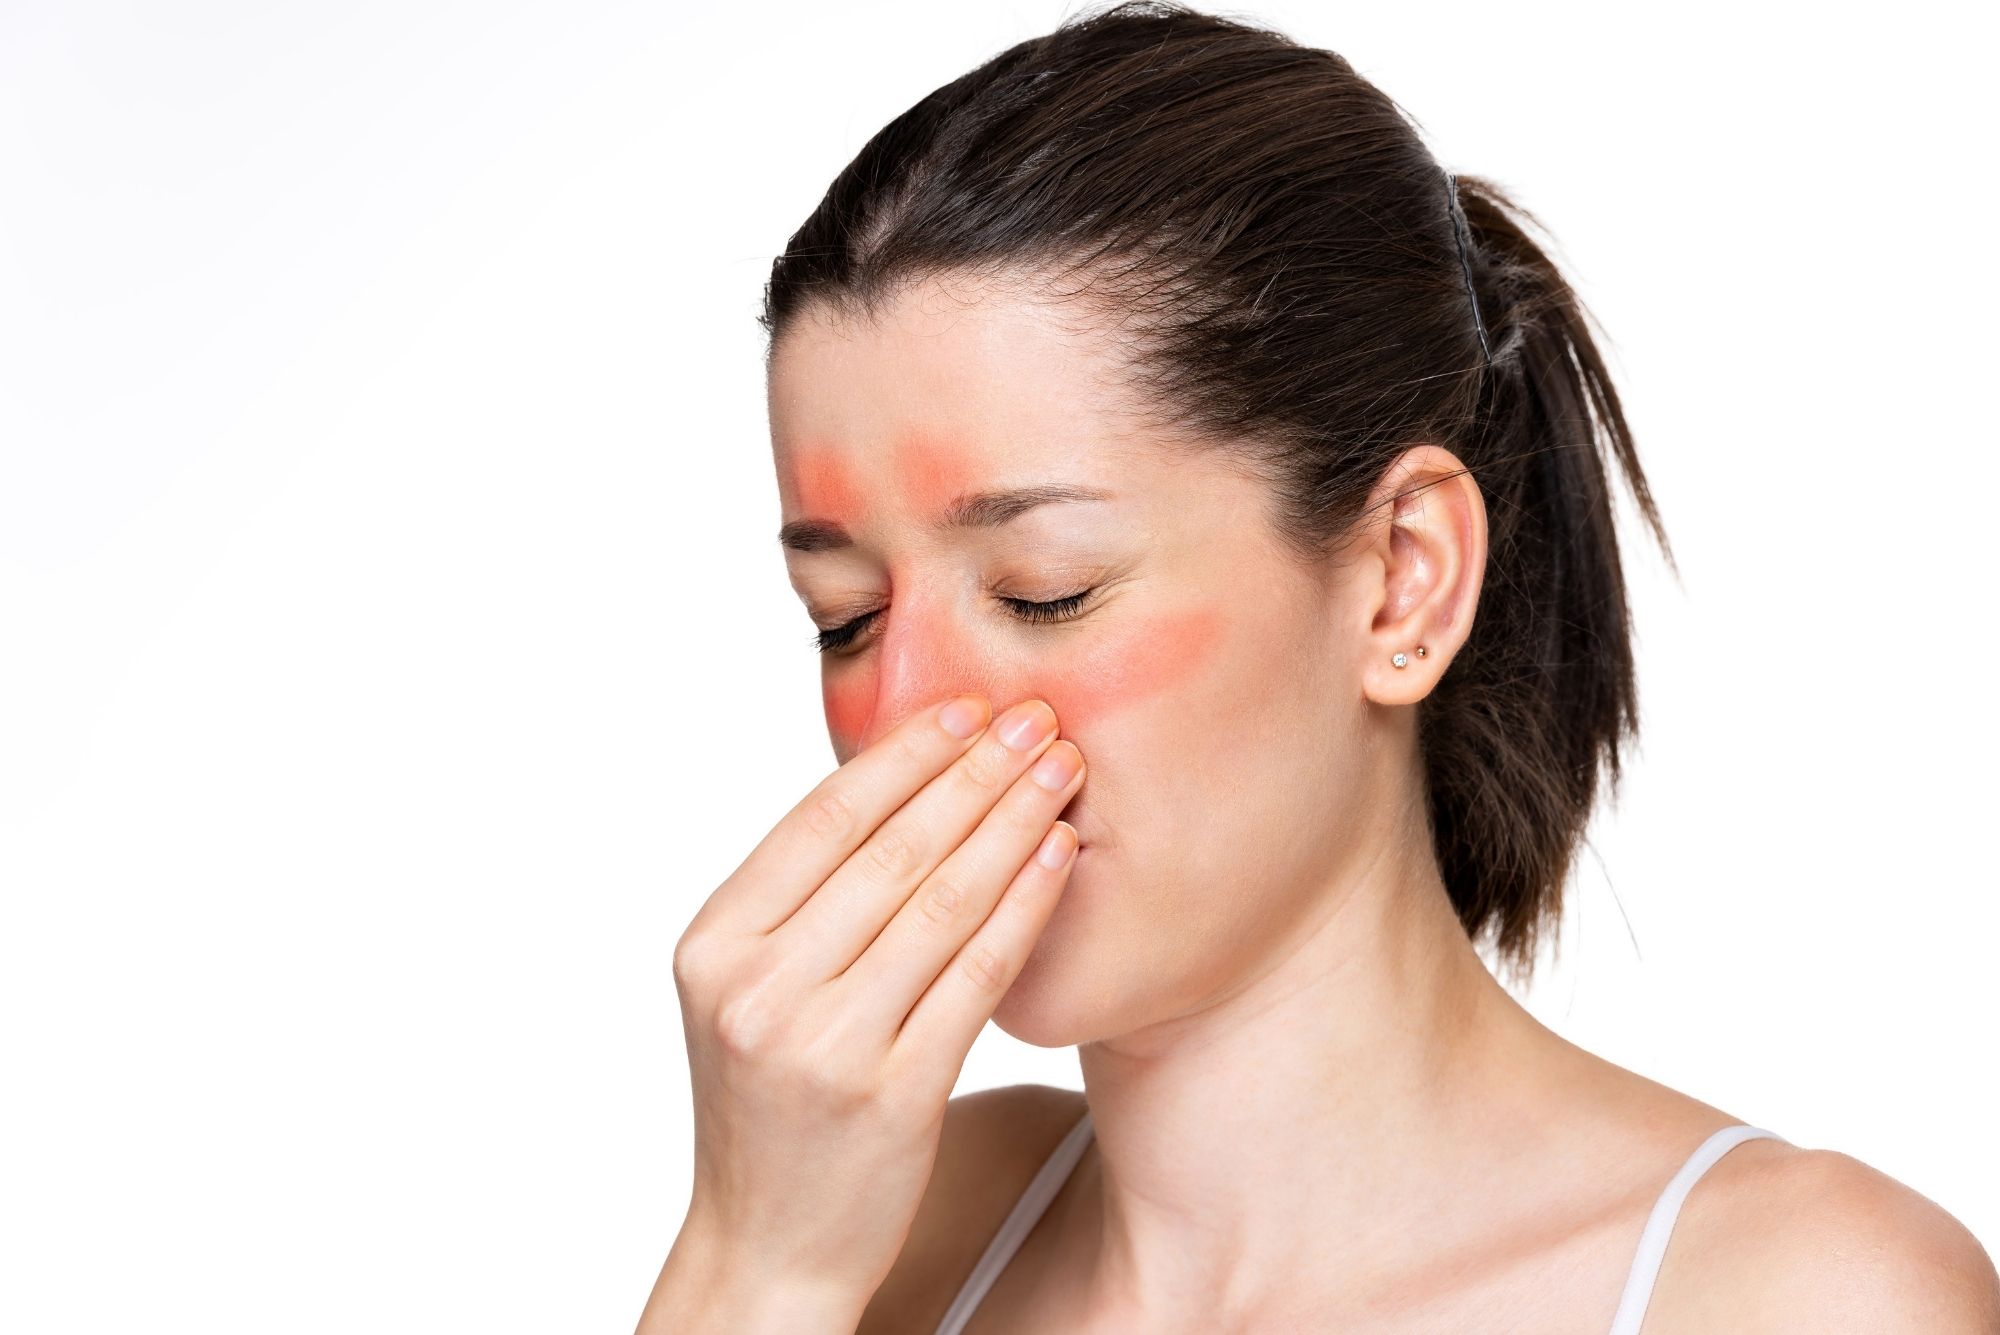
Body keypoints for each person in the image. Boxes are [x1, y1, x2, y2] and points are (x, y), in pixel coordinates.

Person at [638, 3, 2000, 1331]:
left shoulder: (1797, 1296)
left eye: (1045, 593)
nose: (906, 718)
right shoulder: (896, 1238)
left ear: (1405, 576)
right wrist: (753, 1269)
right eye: (846, 615)